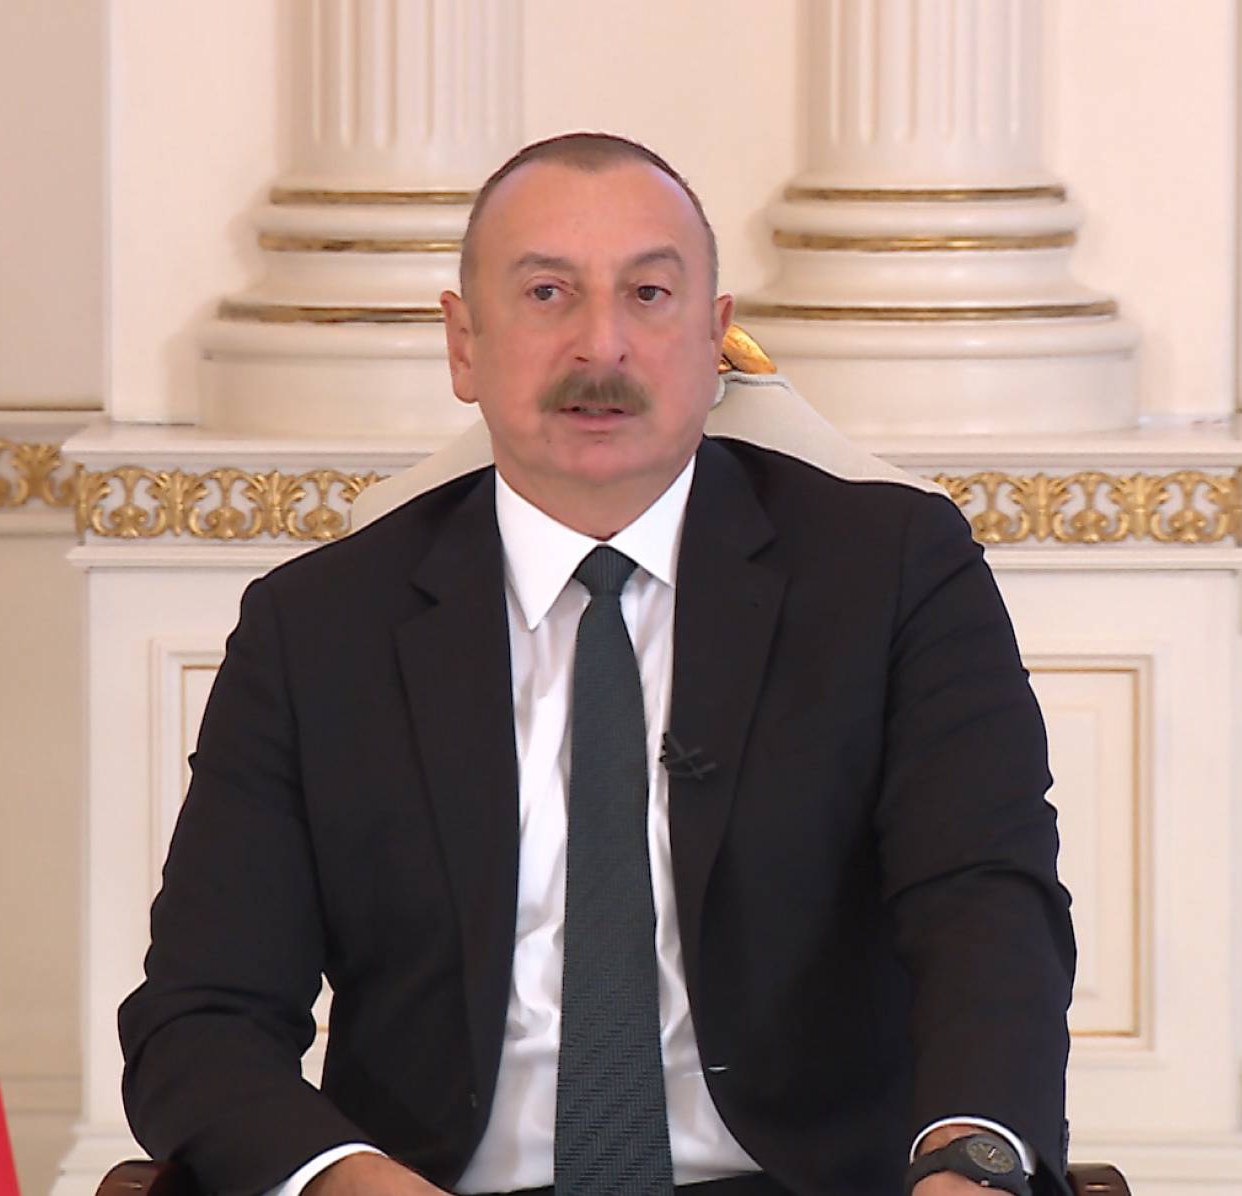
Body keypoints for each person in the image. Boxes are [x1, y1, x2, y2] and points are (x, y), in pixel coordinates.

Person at [120, 133, 1076, 1196]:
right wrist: (348, 1180)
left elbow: (986, 907)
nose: (601, 345)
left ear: (714, 339)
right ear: (463, 345)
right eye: (546, 294)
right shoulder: (315, 628)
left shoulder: (892, 574)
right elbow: (199, 1017)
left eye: (649, 294)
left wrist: (969, 1161)